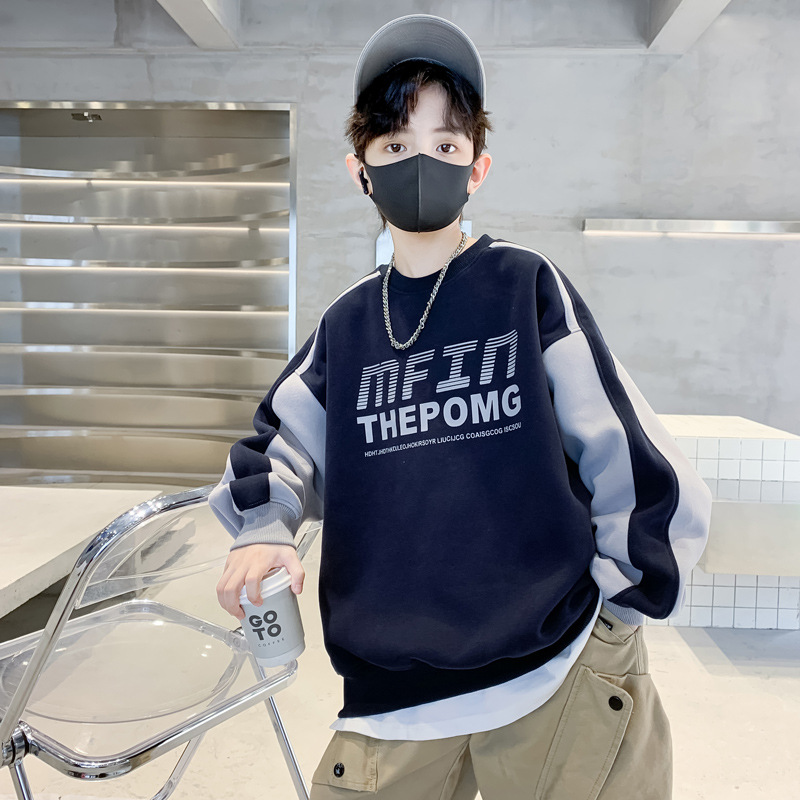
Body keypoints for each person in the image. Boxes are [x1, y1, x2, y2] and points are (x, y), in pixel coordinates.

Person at [210, 14, 712, 800]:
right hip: (395, 693)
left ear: (477, 168)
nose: (421, 164)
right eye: (394, 146)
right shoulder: (347, 324)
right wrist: (264, 528)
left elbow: (627, 450)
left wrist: (622, 611)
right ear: (360, 171)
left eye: (445, 146)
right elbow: (279, 446)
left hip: (557, 666)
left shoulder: (524, 285)